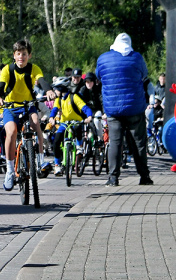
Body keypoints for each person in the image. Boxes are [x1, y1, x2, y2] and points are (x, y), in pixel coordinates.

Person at [96, 32, 153, 186]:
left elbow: (99, 76)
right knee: (139, 143)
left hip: (113, 108)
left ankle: (113, 178)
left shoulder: (103, 58)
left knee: (115, 142)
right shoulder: (137, 57)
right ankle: (144, 177)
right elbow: (144, 75)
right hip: (135, 107)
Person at [0, 40, 48, 192]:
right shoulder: (7, 69)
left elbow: (42, 81)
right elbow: (1, 86)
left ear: (29, 55)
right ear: (14, 55)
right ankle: (10, 171)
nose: (21, 57)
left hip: (28, 105)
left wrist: (49, 90)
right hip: (11, 107)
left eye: (24, 54)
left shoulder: (33, 68)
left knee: (36, 123)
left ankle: (41, 161)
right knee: (11, 132)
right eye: (18, 54)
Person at [44, 79, 94, 174]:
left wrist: (89, 116)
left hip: (76, 121)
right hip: (64, 123)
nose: (55, 91)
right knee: (56, 142)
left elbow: (85, 108)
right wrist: (51, 118)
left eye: (56, 89)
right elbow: (54, 110)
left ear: (61, 89)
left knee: (77, 127)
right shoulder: (58, 100)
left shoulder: (73, 97)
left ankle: (79, 147)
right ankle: (57, 165)